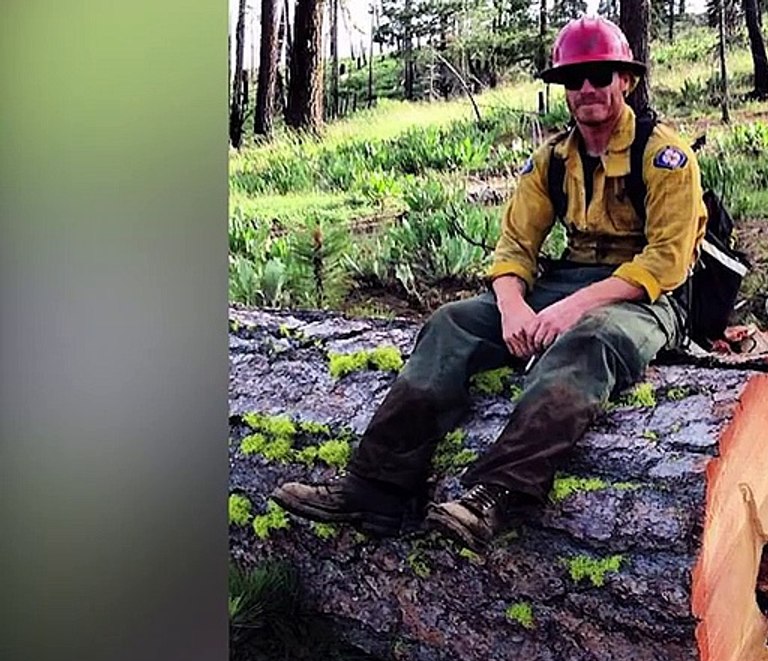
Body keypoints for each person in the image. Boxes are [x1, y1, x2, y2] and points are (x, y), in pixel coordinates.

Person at [271, 16, 708, 550]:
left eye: (600, 75)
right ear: (564, 89)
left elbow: (666, 260)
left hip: (647, 298)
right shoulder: (552, 160)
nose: (588, 88)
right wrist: (513, 307)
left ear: (626, 80)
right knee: (452, 323)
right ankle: (377, 487)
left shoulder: (665, 157)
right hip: (568, 279)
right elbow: (514, 248)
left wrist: (571, 310)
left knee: (590, 341)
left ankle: (498, 494)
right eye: (576, 79)